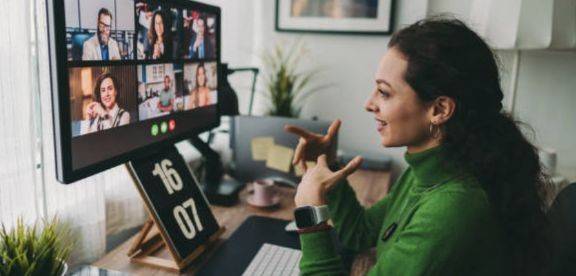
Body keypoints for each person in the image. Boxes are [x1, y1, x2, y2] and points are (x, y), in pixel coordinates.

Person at [286, 18, 550, 275]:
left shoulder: (453, 210)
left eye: (384, 92)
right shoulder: (429, 170)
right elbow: (360, 232)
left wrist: (310, 214)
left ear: (439, 109)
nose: (369, 103)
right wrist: (329, 163)